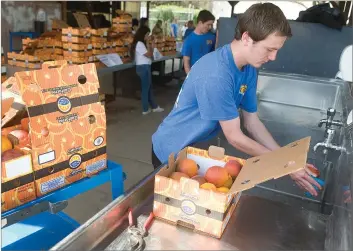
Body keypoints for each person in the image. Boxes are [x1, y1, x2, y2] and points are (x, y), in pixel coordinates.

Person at [151, 3, 322, 196]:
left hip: (194, 151)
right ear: (247, 38)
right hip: (171, 151)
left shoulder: (249, 68)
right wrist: (284, 164)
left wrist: (287, 159)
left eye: (277, 50)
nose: (273, 57)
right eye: (269, 49)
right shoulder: (217, 73)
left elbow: (252, 123)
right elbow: (235, 137)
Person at [130, 26, 164, 115]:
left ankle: (154, 106)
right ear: (143, 34)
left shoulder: (142, 43)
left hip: (146, 66)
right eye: (147, 34)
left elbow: (150, 55)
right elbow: (149, 54)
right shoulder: (139, 44)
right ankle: (145, 109)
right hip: (143, 67)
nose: (148, 36)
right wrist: (151, 46)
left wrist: (150, 45)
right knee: (146, 88)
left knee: (148, 88)